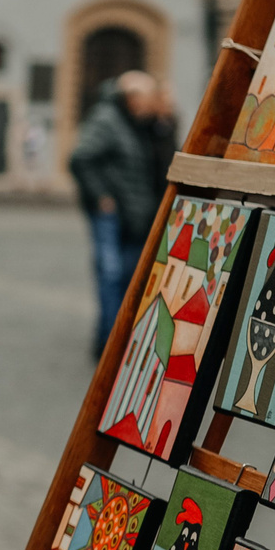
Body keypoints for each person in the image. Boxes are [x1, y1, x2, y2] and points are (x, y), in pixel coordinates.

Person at [70, 69, 171, 350]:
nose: (151, 104)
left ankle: (117, 340)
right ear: (132, 98)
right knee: (112, 275)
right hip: (113, 215)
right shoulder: (108, 120)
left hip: (133, 215)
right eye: (148, 98)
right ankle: (108, 342)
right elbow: (80, 158)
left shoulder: (137, 123)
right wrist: (102, 197)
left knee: (127, 276)